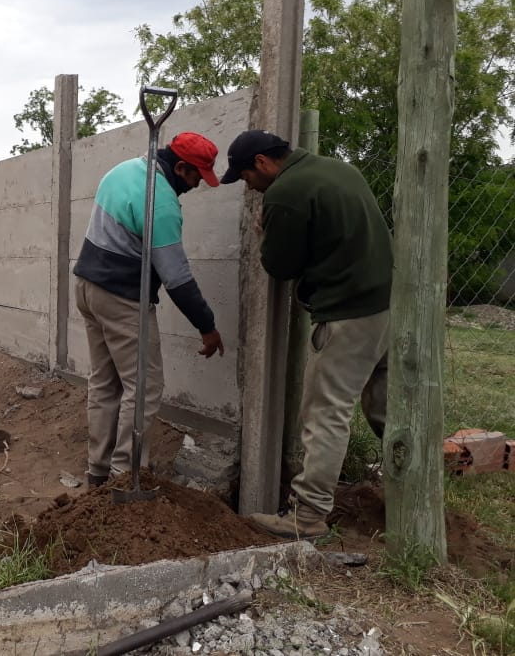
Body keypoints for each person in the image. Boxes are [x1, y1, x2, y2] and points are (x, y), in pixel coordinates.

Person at [219, 129, 393, 538]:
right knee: (387, 409)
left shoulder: (286, 192)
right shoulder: (339, 169)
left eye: (246, 176)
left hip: (349, 312)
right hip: (388, 304)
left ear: (262, 163)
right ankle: (415, 495)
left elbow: (280, 266)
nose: (248, 187)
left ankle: (309, 515)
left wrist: (264, 235)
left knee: (326, 412)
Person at [74, 131, 226, 488]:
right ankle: (125, 475)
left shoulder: (124, 170)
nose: (195, 186)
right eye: (196, 177)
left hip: (87, 287)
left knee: (106, 382)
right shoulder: (161, 203)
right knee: (144, 386)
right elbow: (177, 278)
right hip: (121, 297)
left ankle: (99, 471)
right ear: (181, 167)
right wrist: (207, 326)